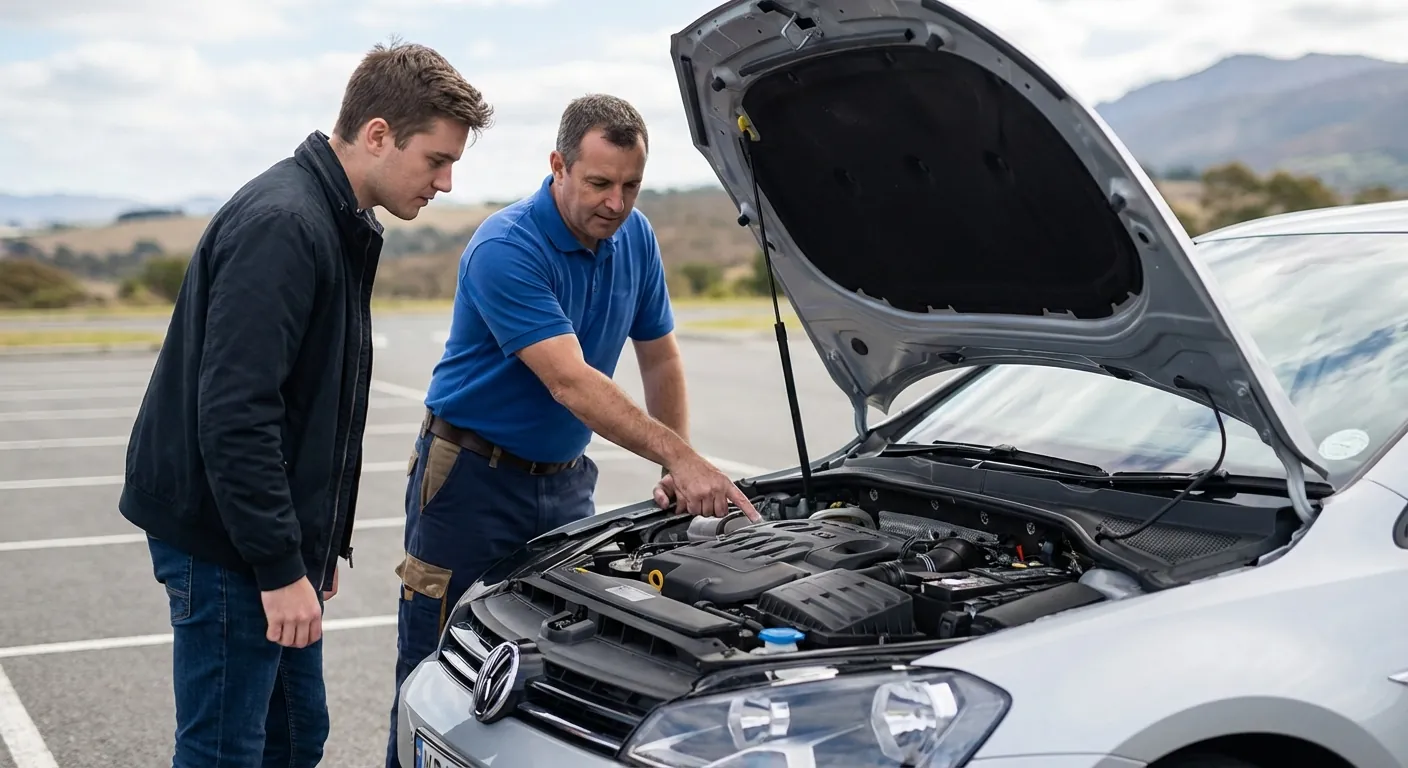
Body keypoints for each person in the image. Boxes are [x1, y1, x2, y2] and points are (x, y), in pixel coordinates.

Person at [118, 40, 492, 768]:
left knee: (294, 739)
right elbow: (236, 413)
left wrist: (310, 548)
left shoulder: (334, 218)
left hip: (264, 541)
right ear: (378, 134)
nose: (446, 182)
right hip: (222, 541)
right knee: (227, 751)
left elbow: (309, 406)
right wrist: (280, 566)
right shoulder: (286, 225)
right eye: (436, 160)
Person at [383, 93, 759, 767]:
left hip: (563, 485)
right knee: (437, 670)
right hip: (468, 481)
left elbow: (660, 353)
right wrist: (684, 457)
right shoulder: (507, 246)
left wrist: (675, 465)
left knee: (551, 669)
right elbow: (571, 382)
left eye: (631, 186)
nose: (616, 203)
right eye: (599, 184)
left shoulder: (634, 237)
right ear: (557, 165)